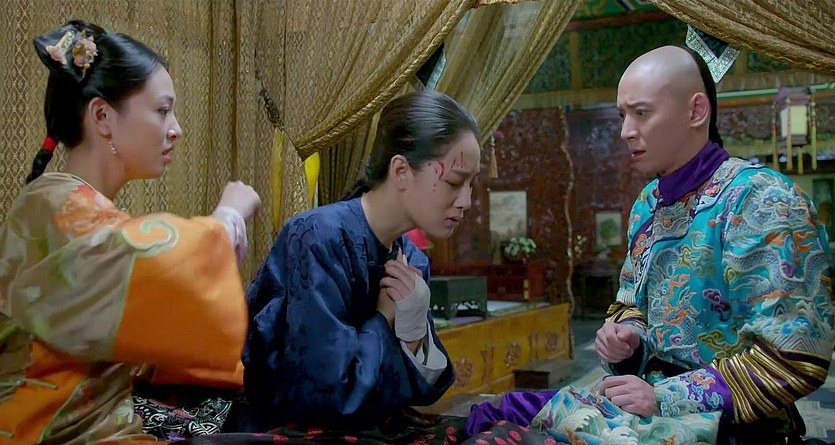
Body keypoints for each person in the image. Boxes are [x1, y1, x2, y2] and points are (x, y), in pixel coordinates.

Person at [468, 45, 835, 445]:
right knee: (496, 416)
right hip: (643, 402)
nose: (626, 131)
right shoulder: (648, 204)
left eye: (641, 113)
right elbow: (631, 305)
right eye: (622, 115)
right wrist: (626, 338)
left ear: (696, 111)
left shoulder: (762, 200)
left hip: (730, 425)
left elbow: (794, 355)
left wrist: (665, 397)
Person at [0, 20, 260, 444]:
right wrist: (225, 219)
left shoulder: (78, 207)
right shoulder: (52, 205)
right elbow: (148, 267)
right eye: (162, 110)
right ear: (102, 117)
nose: (175, 128)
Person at [230, 90, 480, 436]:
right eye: (454, 182)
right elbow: (327, 395)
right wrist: (383, 320)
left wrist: (414, 333)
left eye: (471, 185)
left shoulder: (411, 260)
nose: (466, 201)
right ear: (401, 170)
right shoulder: (316, 237)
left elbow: (424, 391)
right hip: (292, 431)